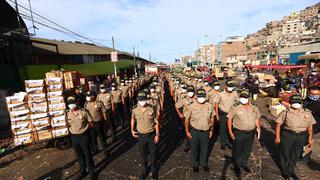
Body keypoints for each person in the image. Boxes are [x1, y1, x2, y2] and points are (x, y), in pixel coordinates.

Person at [275, 95, 316, 180]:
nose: (296, 104)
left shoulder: (307, 113)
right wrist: (277, 137)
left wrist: (309, 139)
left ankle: (291, 170)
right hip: (288, 135)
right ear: (290, 103)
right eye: (294, 102)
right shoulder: (285, 112)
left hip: (302, 136)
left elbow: (310, 127)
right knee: (285, 153)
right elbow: (278, 125)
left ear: (301, 103)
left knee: (296, 154)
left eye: (298, 102)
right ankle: (285, 171)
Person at [227, 89, 261, 176]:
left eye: (245, 97)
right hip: (239, 132)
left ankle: (244, 163)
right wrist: (230, 132)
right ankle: (237, 166)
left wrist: (258, 128)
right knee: (237, 149)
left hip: (251, 133)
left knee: (247, 149)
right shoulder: (235, 107)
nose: (243, 99)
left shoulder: (254, 107)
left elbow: (256, 118)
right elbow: (229, 119)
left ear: (249, 98)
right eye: (242, 97)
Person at [131, 91, 160, 180]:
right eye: (140, 100)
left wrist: (157, 134)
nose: (142, 102)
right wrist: (132, 130)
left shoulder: (152, 108)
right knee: (143, 154)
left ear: (147, 100)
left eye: (144, 100)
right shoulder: (134, 109)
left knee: (153, 154)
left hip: (151, 135)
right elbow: (132, 119)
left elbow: (156, 122)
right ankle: (144, 170)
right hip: (141, 136)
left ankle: (154, 171)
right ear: (138, 100)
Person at [185, 89, 215, 173]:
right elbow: (187, 119)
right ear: (196, 97)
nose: (201, 98)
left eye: (203, 97)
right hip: (194, 131)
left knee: (204, 148)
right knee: (194, 149)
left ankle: (203, 163)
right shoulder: (191, 106)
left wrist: (212, 130)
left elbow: (212, 117)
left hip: (206, 131)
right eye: (200, 97)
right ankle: (195, 164)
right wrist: (187, 131)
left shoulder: (209, 105)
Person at [66, 96, 96, 180]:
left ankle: (92, 171)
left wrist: (88, 133)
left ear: (76, 102)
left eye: (72, 103)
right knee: (79, 156)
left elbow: (91, 123)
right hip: (74, 138)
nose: (71, 105)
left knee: (87, 154)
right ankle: (82, 171)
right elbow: (67, 124)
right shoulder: (67, 113)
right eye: (69, 103)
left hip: (83, 137)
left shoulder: (83, 112)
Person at [214, 81, 239, 150]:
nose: (230, 88)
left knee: (230, 128)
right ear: (226, 86)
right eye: (229, 87)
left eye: (231, 87)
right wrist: (216, 114)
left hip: (232, 114)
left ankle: (228, 142)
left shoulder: (235, 93)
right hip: (223, 113)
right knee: (222, 128)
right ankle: (223, 143)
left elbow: (238, 102)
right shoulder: (221, 94)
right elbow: (216, 104)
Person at [84, 91, 109, 157]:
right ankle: (95, 150)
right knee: (93, 138)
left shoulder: (99, 103)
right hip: (91, 124)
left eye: (89, 96)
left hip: (99, 123)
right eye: (87, 96)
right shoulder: (86, 104)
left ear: (93, 96)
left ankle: (105, 150)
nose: (88, 97)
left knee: (102, 137)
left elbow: (104, 112)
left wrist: (106, 121)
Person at [175, 85, 195, 152]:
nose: (190, 93)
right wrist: (179, 114)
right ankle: (188, 145)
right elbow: (176, 106)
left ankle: (193, 145)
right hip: (186, 119)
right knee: (187, 132)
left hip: (195, 119)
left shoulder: (197, 100)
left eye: (192, 91)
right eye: (189, 91)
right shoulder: (184, 100)